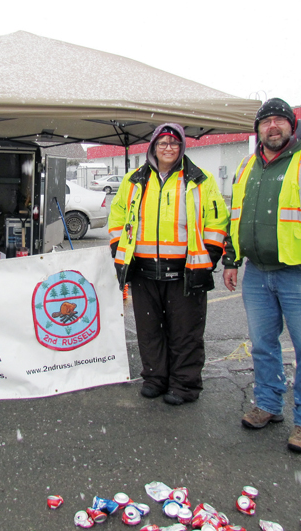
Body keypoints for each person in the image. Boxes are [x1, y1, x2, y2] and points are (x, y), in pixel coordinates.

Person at [222, 98, 301, 453]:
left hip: (300, 275)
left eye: (279, 120)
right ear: (257, 129)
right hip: (257, 274)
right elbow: (237, 217)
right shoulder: (247, 166)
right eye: (266, 122)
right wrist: (232, 260)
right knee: (262, 345)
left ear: (293, 125)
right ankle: (269, 405)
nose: (272, 127)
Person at [109, 123, 229, 405]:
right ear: (153, 147)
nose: (168, 148)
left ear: (182, 147)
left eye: (174, 143)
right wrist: (119, 247)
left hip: (186, 270)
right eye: (162, 143)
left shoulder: (200, 179)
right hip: (143, 270)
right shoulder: (134, 179)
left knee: (185, 331)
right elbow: (117, 216)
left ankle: (184, 385)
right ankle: (155, 378)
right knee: (149, 330)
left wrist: (209, 256)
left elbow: (217, 220)